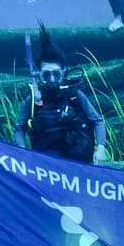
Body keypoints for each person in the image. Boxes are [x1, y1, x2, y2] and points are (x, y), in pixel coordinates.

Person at [15, 24, 108, 164]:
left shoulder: (74, 94)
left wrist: (100, 149)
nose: (52, 80)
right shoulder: (33, 99)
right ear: (38, 75)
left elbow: (97, 121)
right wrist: (22, 152)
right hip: (48, 163)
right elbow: (19, 128)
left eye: (56, 74)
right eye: (46, 75)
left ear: (64, 72)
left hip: (79, 158)